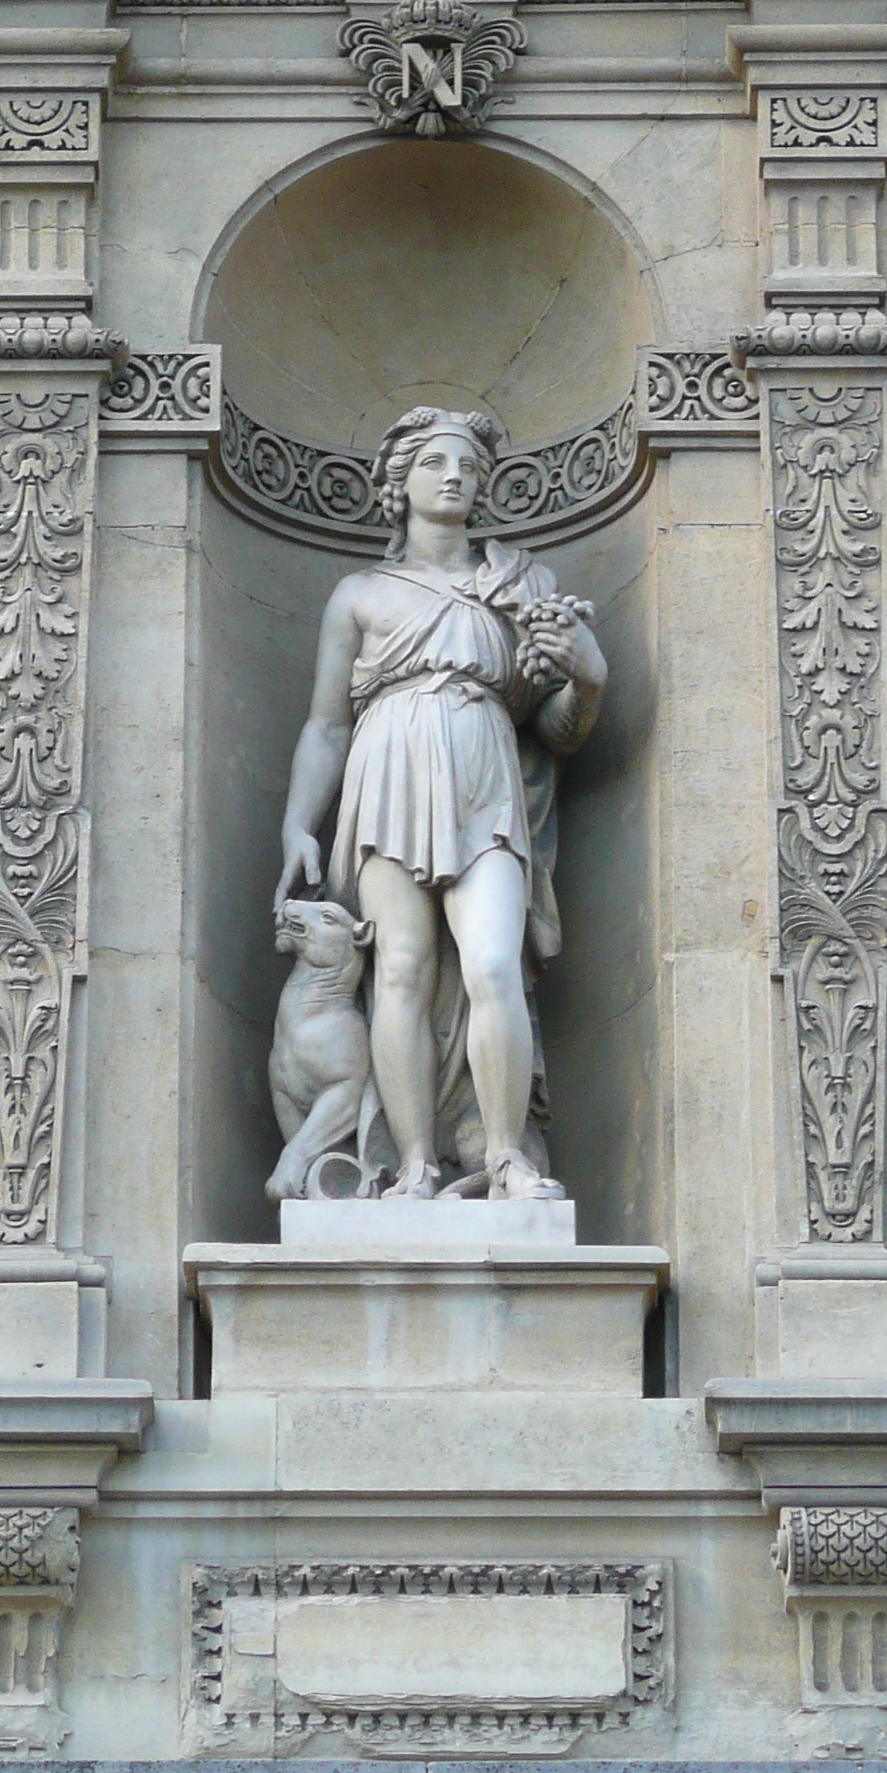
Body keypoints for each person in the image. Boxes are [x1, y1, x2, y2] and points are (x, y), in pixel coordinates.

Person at [274, 404, 606, 1200]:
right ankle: (414, 1163)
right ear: (399, 483)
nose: (453, 475)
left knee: (494, 961)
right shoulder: (360, 595)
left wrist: (588, 675)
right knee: (402, 970)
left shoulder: (521, 588)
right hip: (387, 773)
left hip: (486, 775)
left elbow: (558, 730)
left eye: (466, 466)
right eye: (434, 463)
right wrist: (297, 823)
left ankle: (504, 1158)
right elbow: (326, 726)